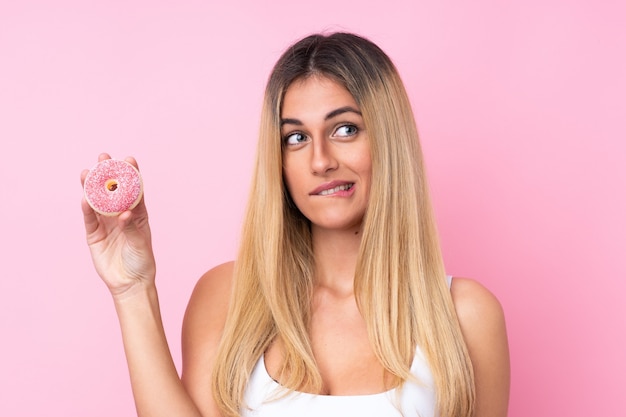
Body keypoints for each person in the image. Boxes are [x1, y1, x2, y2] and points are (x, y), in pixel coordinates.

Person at [82, 32, 509, 417]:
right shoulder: (228, 298)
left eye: (345, 129)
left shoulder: (465, 316)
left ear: (388, 140)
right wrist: (132, 290)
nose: (321, 160)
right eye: (296, 138)